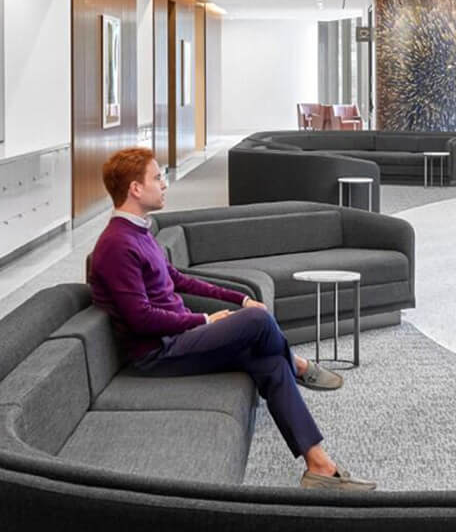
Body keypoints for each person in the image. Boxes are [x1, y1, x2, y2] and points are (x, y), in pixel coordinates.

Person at [86, 147, 375, 492]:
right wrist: (204, 321)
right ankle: (298, 364)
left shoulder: (140, 232)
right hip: (157, 353)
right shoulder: (117, 244)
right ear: (135, 188)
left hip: (178, 338)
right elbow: (141, 319)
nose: (164, 184)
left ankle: (320, 466)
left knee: (269, 362)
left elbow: (179, 279)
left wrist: (238, 297)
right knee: (258, 323)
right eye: (157, 177)